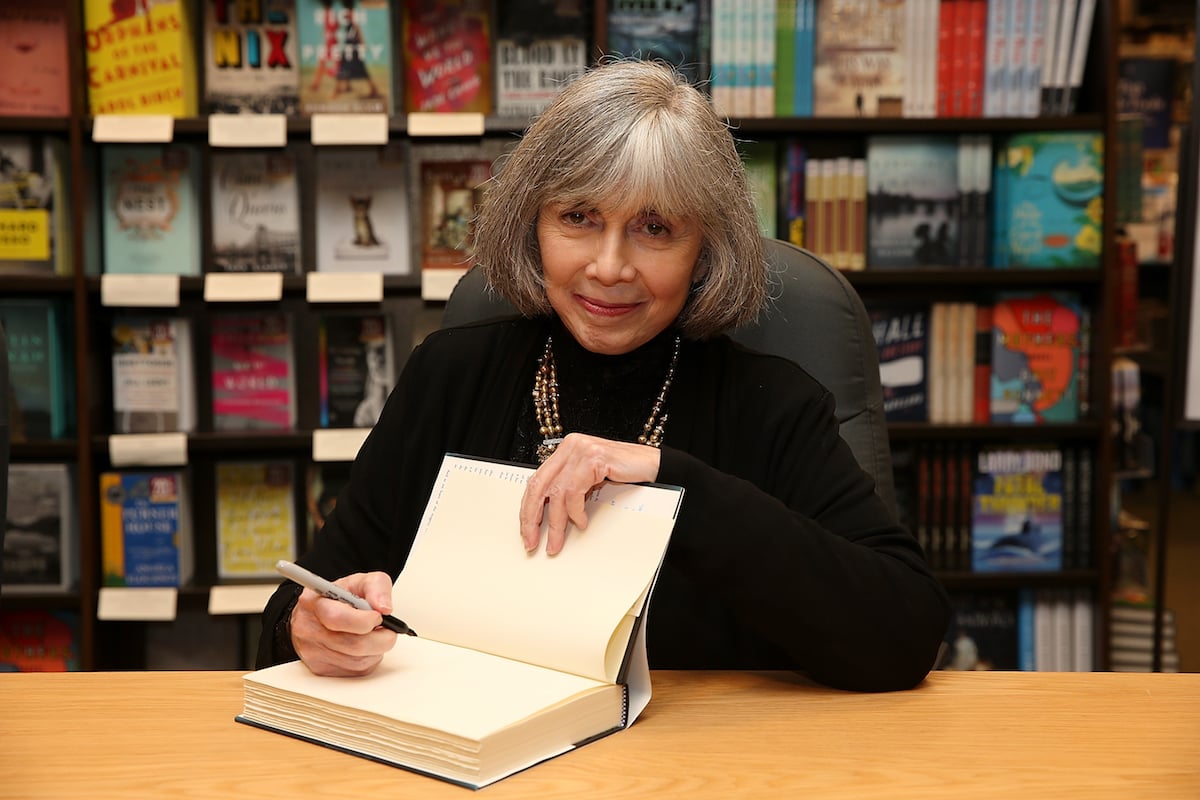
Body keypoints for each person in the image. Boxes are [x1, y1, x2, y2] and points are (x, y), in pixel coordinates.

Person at [256, 59, 951, 692]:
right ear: (533, 225)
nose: (610, 267)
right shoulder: (450, 374)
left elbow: (904, 634)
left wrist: (681, 485)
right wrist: (310, 627)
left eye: (655, 228)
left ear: (705, 246)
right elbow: (293, 612)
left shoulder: (772, 405)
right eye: (579, 218)